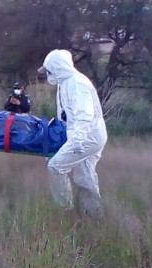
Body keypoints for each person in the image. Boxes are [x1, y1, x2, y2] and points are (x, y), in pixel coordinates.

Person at [38, 49, 108, 215]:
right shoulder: (65, 84)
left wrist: (76, 142)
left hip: (87, 137)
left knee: (55, 167)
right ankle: (94, 214)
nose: (48, 74)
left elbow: (84, 117)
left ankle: (65, 210)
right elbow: (65, 118)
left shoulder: (77, 84)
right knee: (84, 176)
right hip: (86, 136)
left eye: (49, 70)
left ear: (58, 68)